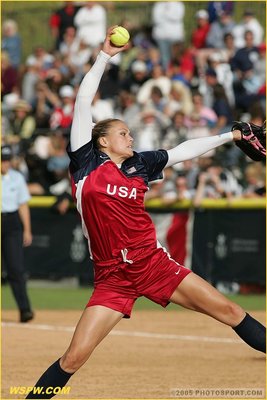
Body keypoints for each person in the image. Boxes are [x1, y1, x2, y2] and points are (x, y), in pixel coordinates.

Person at [26, 27, 266, 399]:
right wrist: (104, 56)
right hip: (112, 279)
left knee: (230, 312)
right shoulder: (85, 162)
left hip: (153, 264)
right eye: (123, 133)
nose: (130, 137)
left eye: (130, 133)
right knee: (73, 358)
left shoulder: (140, 164)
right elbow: (83, 100)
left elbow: (183, 150)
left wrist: (229, 137)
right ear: (102, 140)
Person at [1, 145, 34, 323]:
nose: (5, 164)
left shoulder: (16, 177)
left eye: (7, 160)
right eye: (2, 160)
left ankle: (25, 310)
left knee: (16, 269)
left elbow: (23, 204)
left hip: (11, 223)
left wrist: (27, 229)